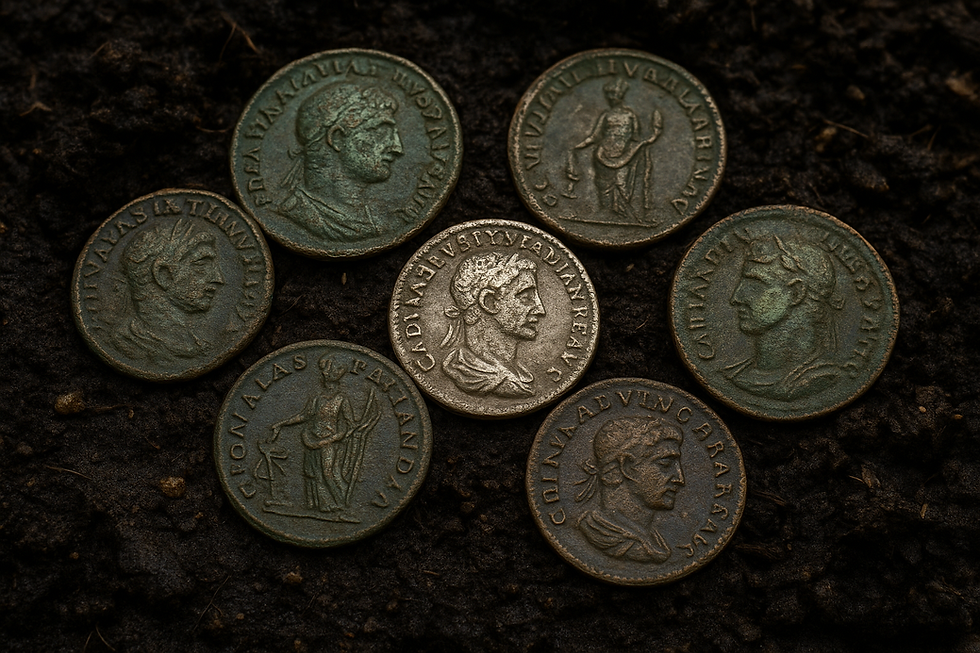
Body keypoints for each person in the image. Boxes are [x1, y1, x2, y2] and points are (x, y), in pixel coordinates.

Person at [277, 83, 404, 241]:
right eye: (380, 131)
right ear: (337, 138)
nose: (397, 148)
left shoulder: (365, 219)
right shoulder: (300, 215)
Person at [725, 234, 844, 400]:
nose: (736, 297)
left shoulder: (818, 379)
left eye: (754, 284)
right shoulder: (736, 374)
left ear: (796, 293)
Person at [265, 356, 380, 515]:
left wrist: (358, 427)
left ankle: (340, 502)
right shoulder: (317, 399)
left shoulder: (342, 400)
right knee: (314, 473)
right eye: (326, 381)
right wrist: (282, 423)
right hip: (311, 440)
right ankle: (323, 505)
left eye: (331, 382)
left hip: (330, 441)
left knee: (328, 473)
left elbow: (349, 423)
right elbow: (304, 416)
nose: (327, 384)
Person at [575, 416, 685, 564]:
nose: (680, 479)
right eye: (665, 463)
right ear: (626, 467)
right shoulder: (599, 534)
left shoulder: (653, 541)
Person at [114, 219, 224, 363]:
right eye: (201, 264)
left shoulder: (197, 346)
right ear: (163, 275)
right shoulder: (130, 346)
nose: (218, 278)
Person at [440, 252, 546, 398]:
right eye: (526, 297)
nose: (541, 310)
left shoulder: (521, 375)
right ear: (489, 302)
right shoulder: (465, 372)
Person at [573, 78, 661, 223]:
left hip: (624, 156)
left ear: (620, 96)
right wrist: (580, 146)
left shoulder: (630, 115)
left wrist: (647, 141)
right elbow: (595, 136)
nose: (612, 99)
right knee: (603, 186)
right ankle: (605, 213)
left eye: (615, 95)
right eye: (610, 96)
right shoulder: (606, 115)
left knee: (622, 185)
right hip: (602, 155)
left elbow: (635, 138)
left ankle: (623, 216)